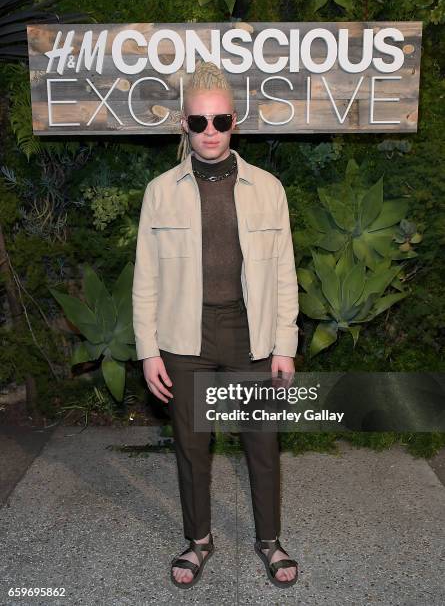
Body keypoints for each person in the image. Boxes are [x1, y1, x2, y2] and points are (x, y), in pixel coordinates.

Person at [132, 61, 299, 589]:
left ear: (235, 123)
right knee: (191, 445)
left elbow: (285, 274)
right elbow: (146, 276)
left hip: (251, 334)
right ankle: (198, 541)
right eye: (199, 122)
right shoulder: (160, 191)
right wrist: (148, 350)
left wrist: (285, 344)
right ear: (183, 123)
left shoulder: (268, 188)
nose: (210, 132)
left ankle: (269, 540)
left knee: (262, 444)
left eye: (220, 121)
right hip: (184, 336)